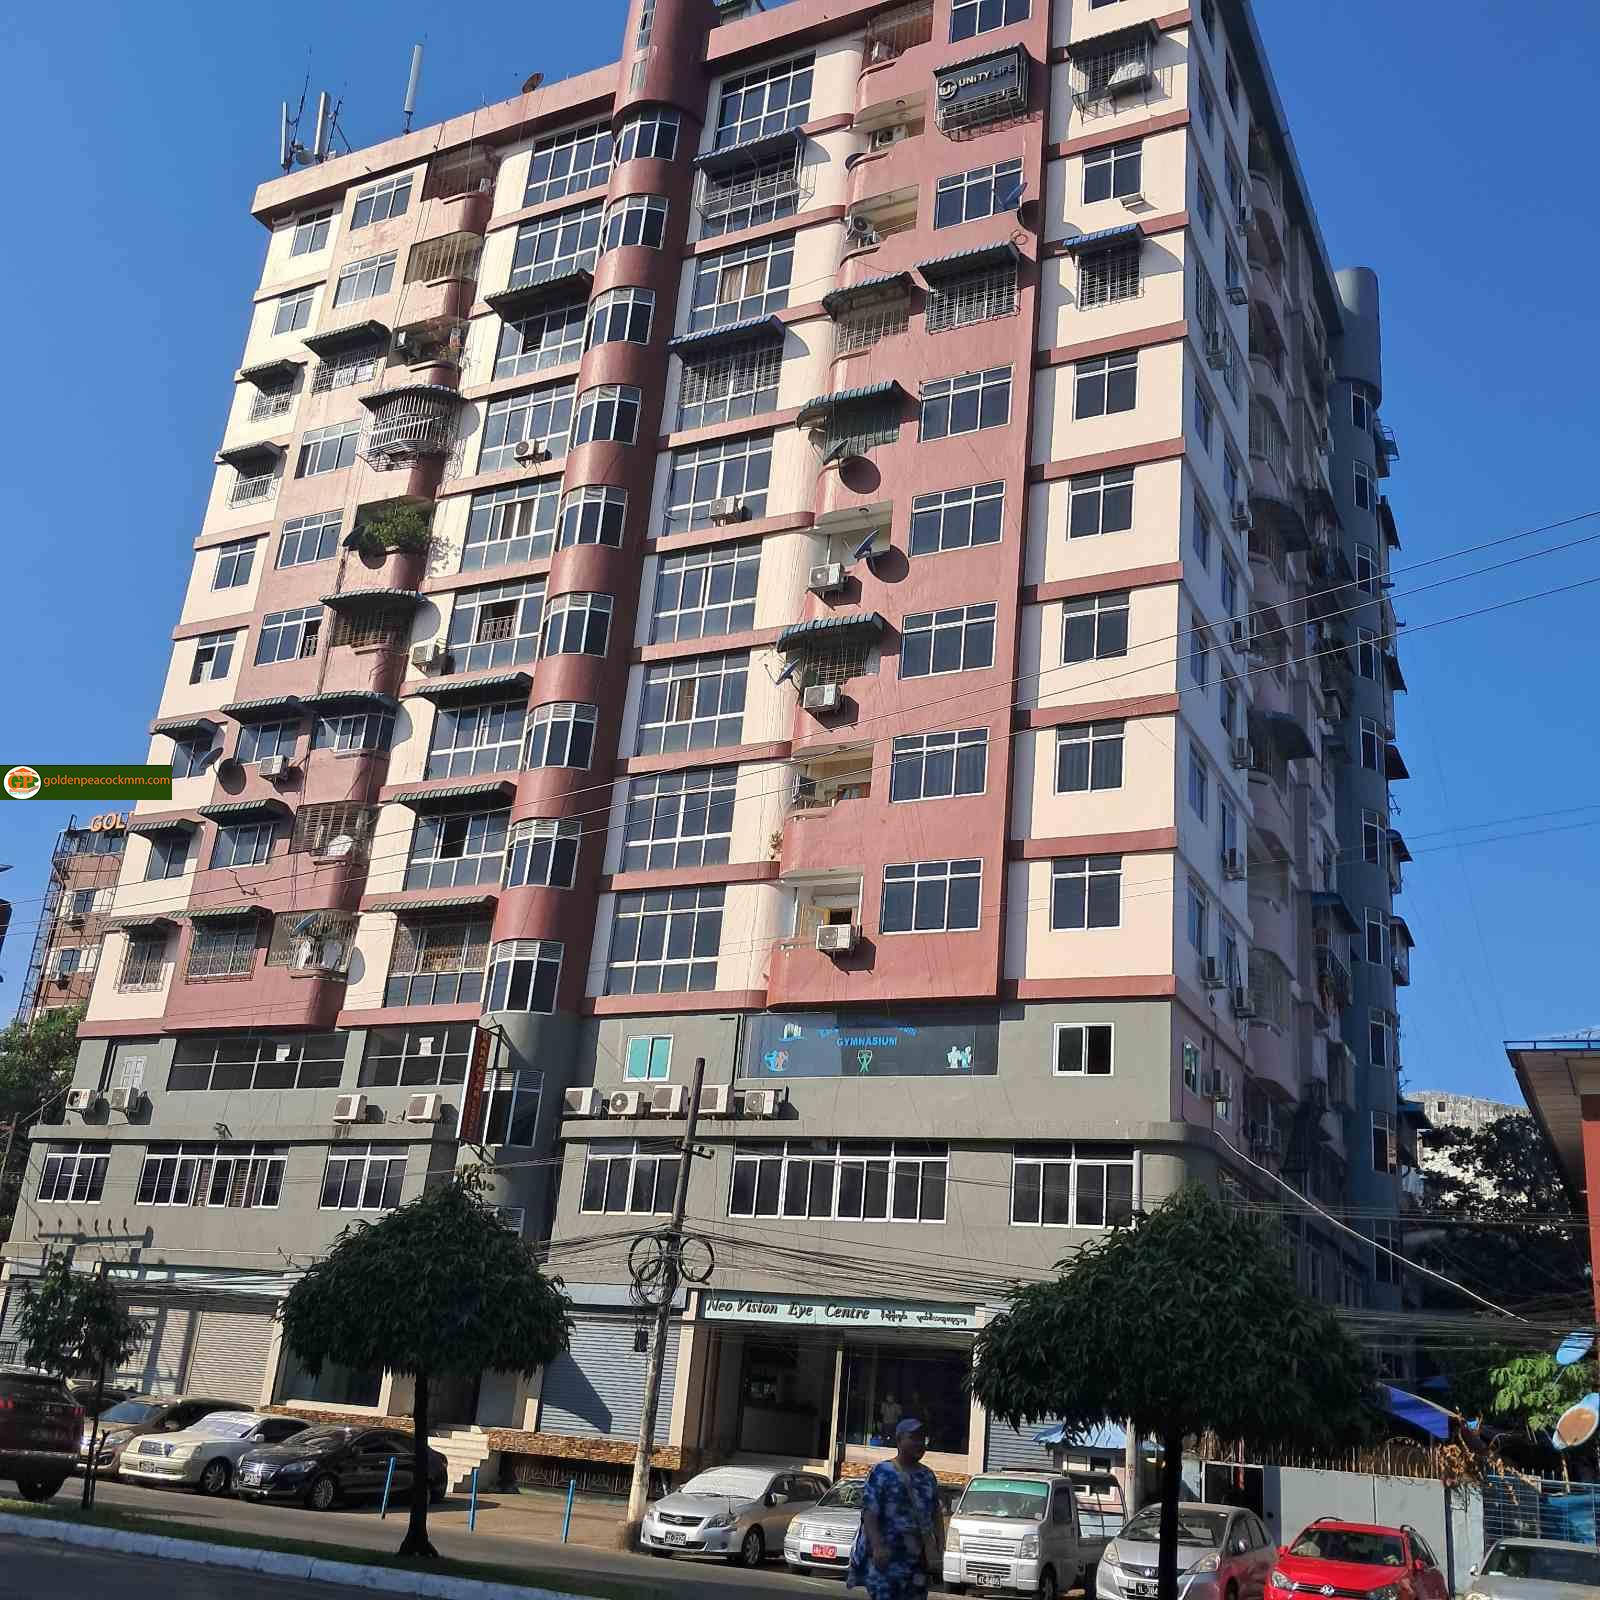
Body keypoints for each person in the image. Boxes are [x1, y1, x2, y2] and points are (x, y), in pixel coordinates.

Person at [847, 1418, 943, 1600]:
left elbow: (935, 1514)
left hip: (916, 1564)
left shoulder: (928, 1476)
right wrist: (877, 1546)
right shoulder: (882, 1472)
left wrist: (939, 1548)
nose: (919, 1443)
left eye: (922, 1438)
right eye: (913, 1437)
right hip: (887, 1561)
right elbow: (869, 1513)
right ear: (899, 1441)